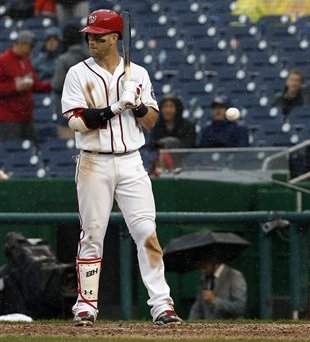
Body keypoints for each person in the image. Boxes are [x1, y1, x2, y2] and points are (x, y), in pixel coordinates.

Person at [60, 9, 181, 326]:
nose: (92, 41)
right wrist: (115, 107)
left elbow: (151, 122)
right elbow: (75, 121)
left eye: (98, 37)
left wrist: (137, 104)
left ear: (114, 38)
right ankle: (86, 305)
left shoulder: (137, 73)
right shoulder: (77, 73)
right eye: (89, 36)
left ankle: (161, 305)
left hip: (131, 160)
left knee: (146, 233)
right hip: (93, 161)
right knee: (92, 235)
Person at [0, 30, 52, 141]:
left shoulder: (26, 60)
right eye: (30, 46)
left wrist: (54, 84)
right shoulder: (3, 61)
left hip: (26, 116)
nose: (32, 50)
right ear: (22, 44)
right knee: (12, 152)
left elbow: (36, 85)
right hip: (9, 119)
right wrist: (15, 87)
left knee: (31, 150)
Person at [52, 23, 89, 139]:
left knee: (68, 148)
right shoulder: (90, 58)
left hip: (67, 108)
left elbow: (57, 85)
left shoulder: (62, 60)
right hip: (89, 107)